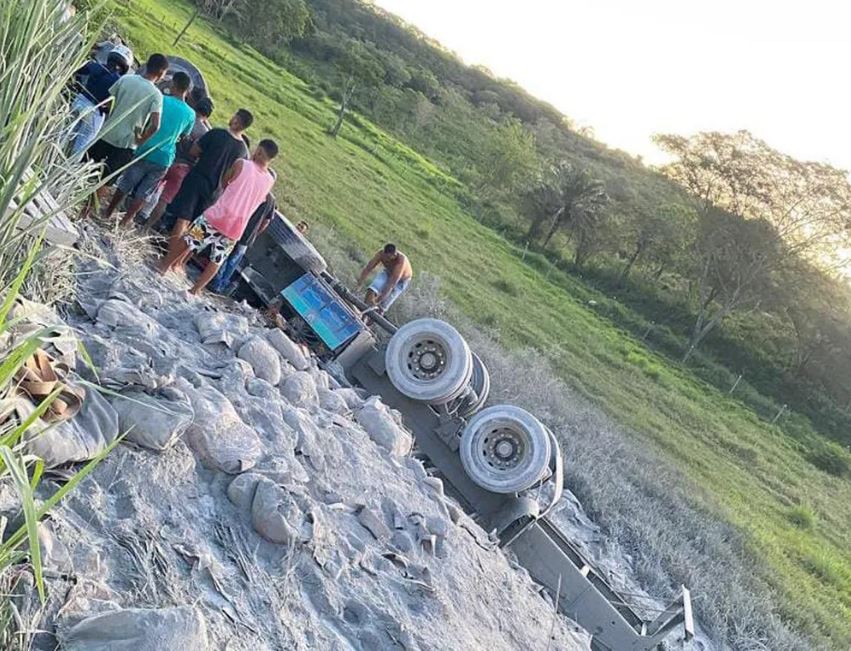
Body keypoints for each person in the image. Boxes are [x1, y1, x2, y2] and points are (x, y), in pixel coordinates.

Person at [157, 139, 278, 295]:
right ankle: (196, 289)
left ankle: (163, 267)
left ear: (260, 151)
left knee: (189, 240)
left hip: (218, 216)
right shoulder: (269, 181)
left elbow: (225, 180)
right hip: (237, 227)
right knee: (217, 259)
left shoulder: (242, 164)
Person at [103, 72, 196, 227]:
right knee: (144, 193)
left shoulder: (162, 99)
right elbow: (183, 136)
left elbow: (149, 122)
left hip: (145, 149)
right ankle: (126, 221)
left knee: (126, 184)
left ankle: (108, 212)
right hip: (165, 158)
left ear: (174, 85)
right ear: (188, 90)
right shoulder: (191, 114)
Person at [163, 108, 253, 260]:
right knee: (198, 228)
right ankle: (179, 260)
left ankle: (168, 254)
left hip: (197, 179)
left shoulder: (216, 133)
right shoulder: (244, 151)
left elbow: (194, 151)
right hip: (215, 192)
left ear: (237, 121)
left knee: (183, 217)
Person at [85, 53, 168, 188]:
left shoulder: (126, 79)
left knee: (87, 169)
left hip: (107, 133)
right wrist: (141, 140)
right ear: (161, 74)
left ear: (147, 65)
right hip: (127, 143)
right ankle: (87, 209)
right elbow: (155, 125)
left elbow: (109, 103)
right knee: (106, 182)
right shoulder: (156, 95)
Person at [145, 95, 214, 231]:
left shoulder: (186, 117)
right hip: (183, 168)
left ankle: (135, 213)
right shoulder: (205, 133)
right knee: (164, 199)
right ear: (207, 116)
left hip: (167, 158)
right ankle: (146, 227)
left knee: (149, 187)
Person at [69, 44, 132, 156]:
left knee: (64, 135)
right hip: (95, 111)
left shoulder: (96, 66)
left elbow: (77, 71)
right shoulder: (119, 81)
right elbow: (112, 104)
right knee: (80, 147)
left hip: (80, 101)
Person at [209, 193, 276, 294]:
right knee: (233, 262)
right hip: (249, 235)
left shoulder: (254, 191)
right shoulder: (272, 200)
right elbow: (266, 222)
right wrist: (256, 233)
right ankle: (220, 285)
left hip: (236, 228)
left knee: (224, 255)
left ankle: (215, 281)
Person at [357, 243, 413, 313]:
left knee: (383, 306)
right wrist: (359, 284)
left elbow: (391, 285)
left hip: (401, 281)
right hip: (388, 272)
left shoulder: (401, 262)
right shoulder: (380, 254)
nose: (387, 260)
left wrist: (378, 300)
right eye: (386, 257)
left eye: (389, 258)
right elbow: (368, 268)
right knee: (372, 289)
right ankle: (363, 311)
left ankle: (370, 320)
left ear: (395, 255)